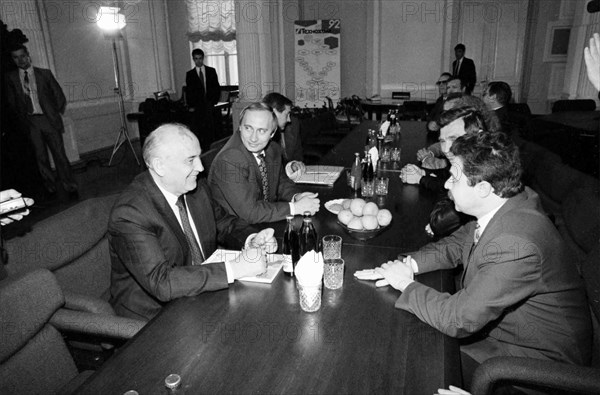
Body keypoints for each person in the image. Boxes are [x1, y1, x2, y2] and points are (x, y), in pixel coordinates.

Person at [377, 132, 592, 389]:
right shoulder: (511, 202)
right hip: (506, 335)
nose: (446, 185)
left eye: (454, 178)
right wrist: (409, 265)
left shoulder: (516, 243)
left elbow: (459, 319)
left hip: (536, 366)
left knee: (410, 364)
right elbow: (457, 244)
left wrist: (406, 285)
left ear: (483, 188)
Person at [108, 123, 276, 321]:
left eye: (199, 156)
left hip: (202, 295)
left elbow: (224, 223)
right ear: (159, 165)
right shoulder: (130, 213)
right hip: (154, 318)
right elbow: (162, 283)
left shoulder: (195, 188)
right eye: (190, 160)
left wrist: (251, 239)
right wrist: (235, 268)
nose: (201, 167)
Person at [208, 102, 320, 224]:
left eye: (261, 131)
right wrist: (296, 207)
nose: (253, 138)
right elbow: (250, 213)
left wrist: (296, 197)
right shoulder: (230, 159)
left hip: (264, 220)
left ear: (272, 133)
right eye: (248, 128)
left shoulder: (273, 149)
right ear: (239, 127)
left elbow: (280, 182)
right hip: (238, 231)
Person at [5, 45, 78, 196]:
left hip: (48, 120)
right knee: (40, 157)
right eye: (16, 57)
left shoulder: (44, 74)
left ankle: (69, 185)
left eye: (22, 55)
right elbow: (12, 103)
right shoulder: (11, 78)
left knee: (59, 154)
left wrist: (53, 114)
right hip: (31, 123)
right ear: (13, 59)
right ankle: (50, 187)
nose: (20, 60)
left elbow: (59, 96)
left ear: (28, 55)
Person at [261, 92, 305, 179]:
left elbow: (298, 155)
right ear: (274, 112)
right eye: (287, 114)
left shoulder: (293, 124)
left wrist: (294, 165)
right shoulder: (261, 136)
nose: (289, 119)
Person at [185, 49, 221, 147]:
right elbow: (189, 91)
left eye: (200, 58)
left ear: (203, 58)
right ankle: (201, 148)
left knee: (210, 128)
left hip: (209, 103)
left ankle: (211, 147)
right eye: (196, 59)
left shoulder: (211, 71)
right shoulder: (190, 74)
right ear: (193, 59)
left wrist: (214, 101)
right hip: (197, 105)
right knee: (199, 128)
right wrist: (191, 105)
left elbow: (216, 87)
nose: (198, 61)